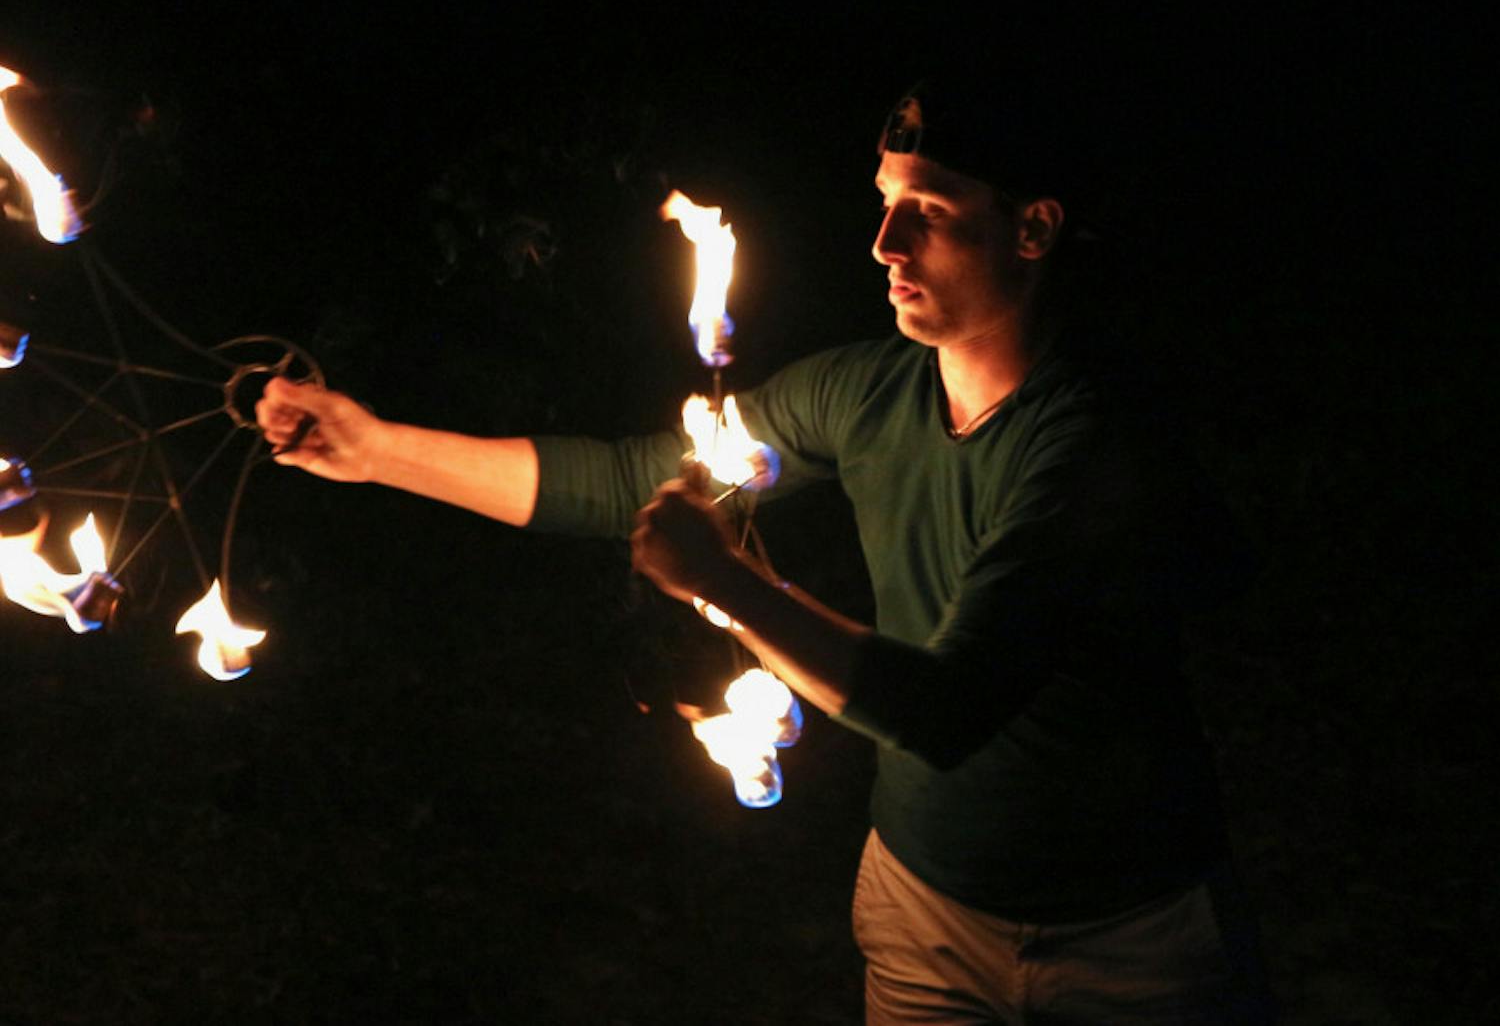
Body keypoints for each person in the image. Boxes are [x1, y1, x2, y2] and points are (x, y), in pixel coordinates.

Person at [257, 76, 1272, 1024]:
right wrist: (378, 450)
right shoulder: (868, 392)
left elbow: (947, 706)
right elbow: (626, 480)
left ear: (1034, 229)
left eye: (931, 208)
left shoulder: (1090, 444)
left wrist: (728, 585)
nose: (882, 240)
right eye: (883, 199)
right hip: (923, 911)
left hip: (1130, 940)